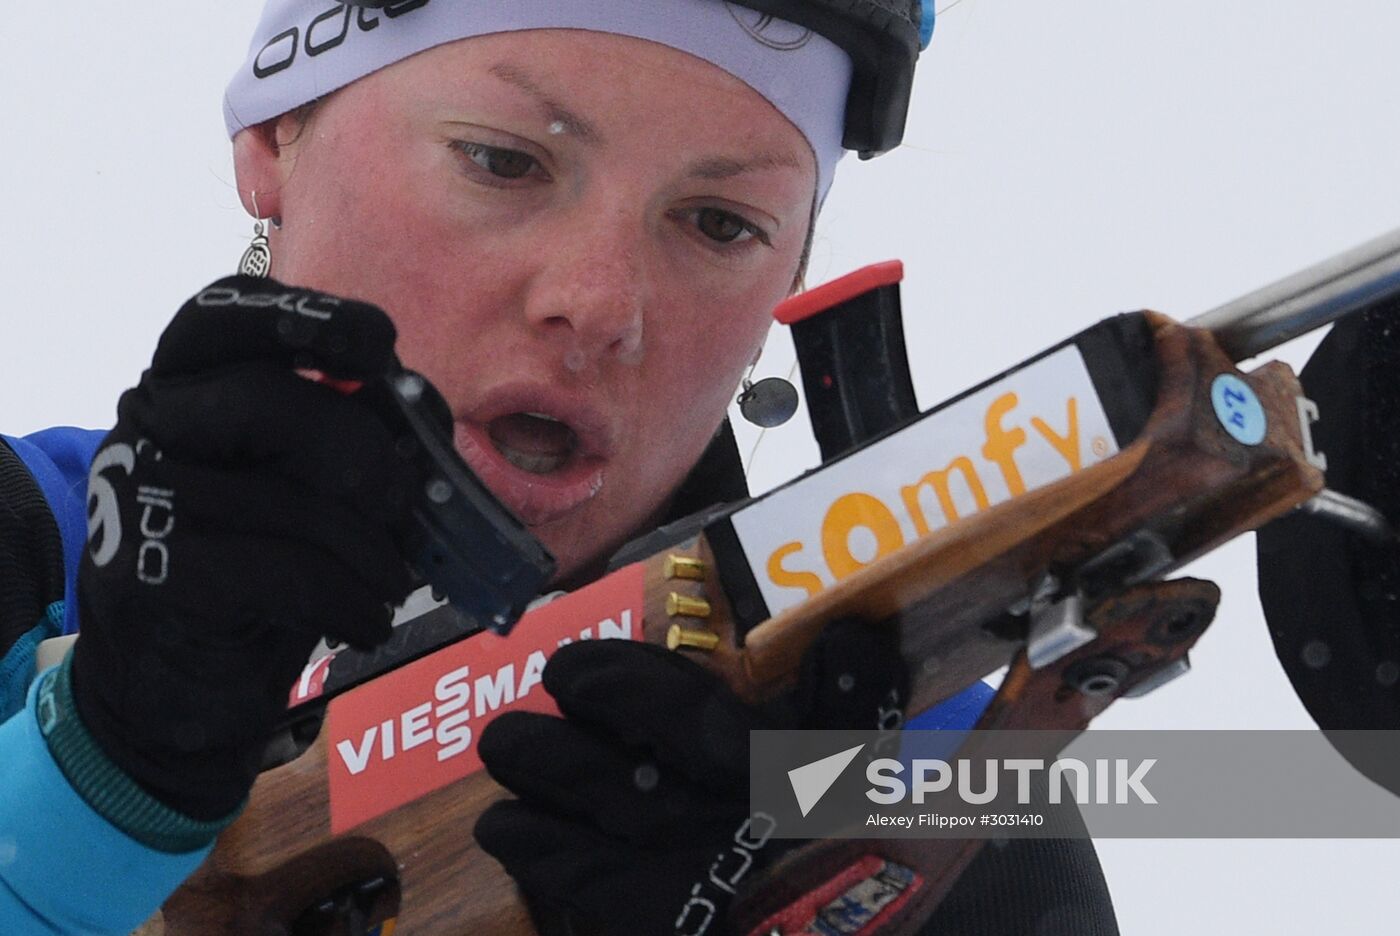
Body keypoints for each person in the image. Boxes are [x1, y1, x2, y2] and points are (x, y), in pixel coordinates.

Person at [0, 2, 1117, 933]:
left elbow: (1251, 800)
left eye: (719, 223)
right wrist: (102, 773)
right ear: (275, 132)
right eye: (503, 161)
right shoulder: (27, 542)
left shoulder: (930, 766)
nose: (597, 305)